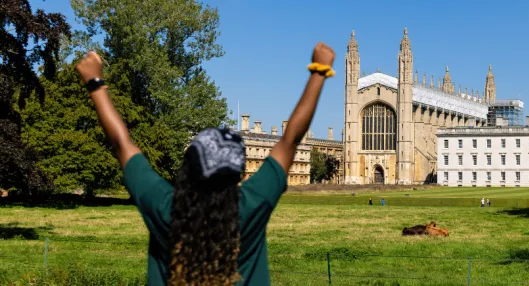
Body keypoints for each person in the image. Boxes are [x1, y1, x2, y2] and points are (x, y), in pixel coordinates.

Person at [75, 42, 335, 285]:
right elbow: (290, 141)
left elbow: (122, 143)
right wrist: (319, 72)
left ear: (187, 167)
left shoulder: (163, 206)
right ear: (238, 174)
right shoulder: (252, 206)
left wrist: (95, 84)